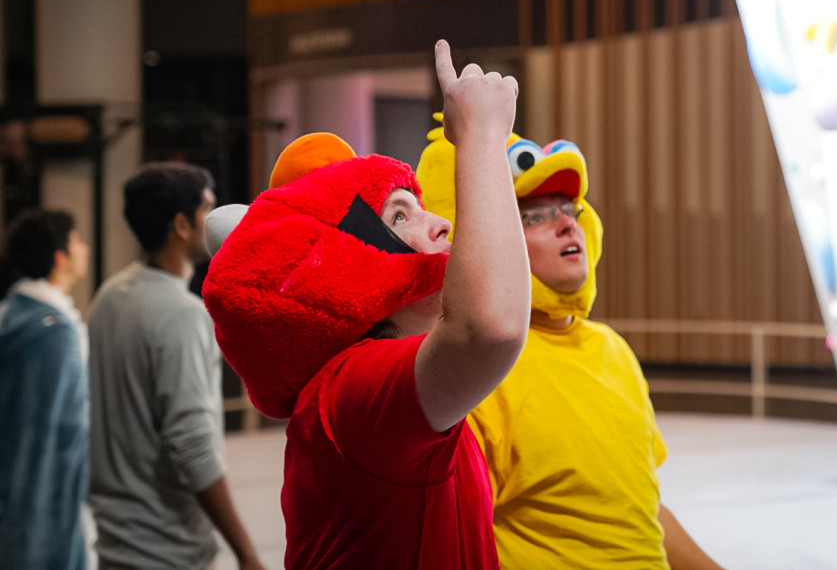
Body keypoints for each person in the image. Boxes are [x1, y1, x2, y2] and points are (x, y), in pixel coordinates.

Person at [202, 40, 529, 569]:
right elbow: (489, 327)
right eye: (401, 216)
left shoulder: (373, 385)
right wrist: (484, 136)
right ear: (347, 259)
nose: (441, 224)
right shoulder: (354, 387)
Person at [416, 130, 725, 569]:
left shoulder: (612, 350)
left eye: (569, 209)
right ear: (484, 238)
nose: (566, 224)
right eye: (534, 217)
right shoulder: (476, 371)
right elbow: (455, 543)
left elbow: (641, 512)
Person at [88, 163, 264, 570]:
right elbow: (192, 446)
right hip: (167, 548)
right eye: (208, 208)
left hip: (115, 542)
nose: (217, 218)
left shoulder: (109, 296)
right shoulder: (182, 315)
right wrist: (247, 552)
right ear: (182, 225)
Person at [0, 209, 90, 570]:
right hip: (46, 512)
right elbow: (59, 437)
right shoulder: (54, 332)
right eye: (77, 241)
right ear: (60, 257)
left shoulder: (11, 315)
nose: (83, 248)